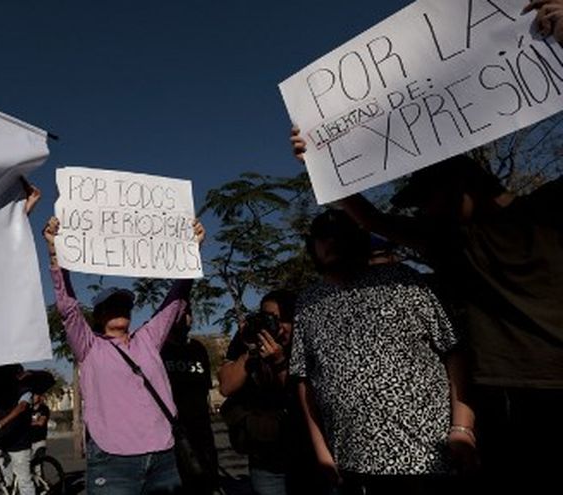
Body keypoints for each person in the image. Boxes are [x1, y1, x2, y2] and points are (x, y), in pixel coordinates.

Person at [292, 123, 562, 492]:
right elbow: (372, 219)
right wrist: (320, 163)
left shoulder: (550, 208)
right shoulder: (451, 243)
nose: (422, 210)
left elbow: (450, 350)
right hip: (503, 396)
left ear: (457, 187)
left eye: (425, 199)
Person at [289, 210, 475, 495]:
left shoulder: (401, 279)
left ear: (358, 239)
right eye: (323, 236)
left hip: (427, 456)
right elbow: (305, 379)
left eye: (340, 234)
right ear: (312, 245)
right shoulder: (307, 302)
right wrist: (321, 450)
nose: (332, 242)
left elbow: (453, 350)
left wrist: (462, 428)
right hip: (353, 462)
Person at [43, 215, 205, 495]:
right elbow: (68, 309)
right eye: (111, 305)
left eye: (124, 305)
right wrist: (55, 253)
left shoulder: (148, 339)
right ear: (98, 315)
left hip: (163, 458)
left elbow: (174, 300)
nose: (119, 309)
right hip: (113, 462)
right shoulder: (89, 347)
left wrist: (192, 251)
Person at [218, 291, 310, 495]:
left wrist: (278, 361)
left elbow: (302, 397)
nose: (278, 326)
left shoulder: (308, 338)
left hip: (307, 451)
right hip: (265, 456)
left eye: (284, 319)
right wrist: (251, 350)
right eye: (269, 318)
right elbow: (226, 387)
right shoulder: (249, 338)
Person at [161, 303, 220, 495]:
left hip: (201, 433)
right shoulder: (159, 349)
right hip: (171, 435)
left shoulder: (198, 348)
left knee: (206, 484)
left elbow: (205, 389)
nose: (184, 317)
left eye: (187, 313)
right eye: (178, 313)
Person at [30, 393, 51, 459]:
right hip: (29, 441)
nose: (33, 398)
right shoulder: (28, 409)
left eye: (35, 395)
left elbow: (41, 422)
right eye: (32, 396)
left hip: (40, 440)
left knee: (39, 461)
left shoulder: (44, 408)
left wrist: (29, 423)